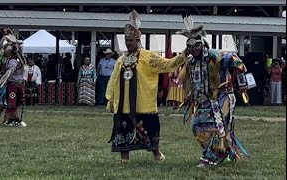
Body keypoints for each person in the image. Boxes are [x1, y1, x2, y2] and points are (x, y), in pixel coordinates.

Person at [106, 10, 188, 163]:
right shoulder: (120, 60)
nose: (128, 43)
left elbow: (168, 64)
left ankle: (157, 154)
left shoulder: (148, 56)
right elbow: (114, 80)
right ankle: (124, 159)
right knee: (123, 129)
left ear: (138, 41)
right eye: (126, 40)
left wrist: (184, 54)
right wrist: (111, 99)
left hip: (144, 104)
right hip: (124, 106)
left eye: (131, 40)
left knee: (149, 131)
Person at [177, 14, 250, 167]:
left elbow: (237, 62)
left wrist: (243, 83)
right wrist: (191, 95)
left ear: (202, 44)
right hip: (203, 100)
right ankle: (223, 150)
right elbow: (192, 81)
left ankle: (211, 157)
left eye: (196, 45)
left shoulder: (216, 56)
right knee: (197, 126)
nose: (193, 49)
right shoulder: (190, 62)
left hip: (222, 97)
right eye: (189, 46)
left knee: (216, 126)